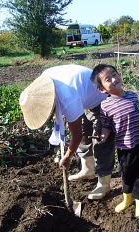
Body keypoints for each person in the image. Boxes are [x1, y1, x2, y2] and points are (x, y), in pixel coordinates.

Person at [19, 64, 115, 200]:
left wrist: (68, 156)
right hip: (84, 93)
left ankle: (104, 183)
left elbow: (76, 135)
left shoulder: (68, 98)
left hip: (102, 98)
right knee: (84, 130)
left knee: (100, 139)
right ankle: (88, 169)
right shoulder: (44, 81)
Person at [90, 64, 139, 218]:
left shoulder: (133, 96)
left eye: (115, 74)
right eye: (108, 79)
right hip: (124, 148)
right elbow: (107, 127)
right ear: (102, 89)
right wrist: (102, 138)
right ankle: (127, 199)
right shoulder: (106, 106)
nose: (114, 79)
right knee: (127, 175)